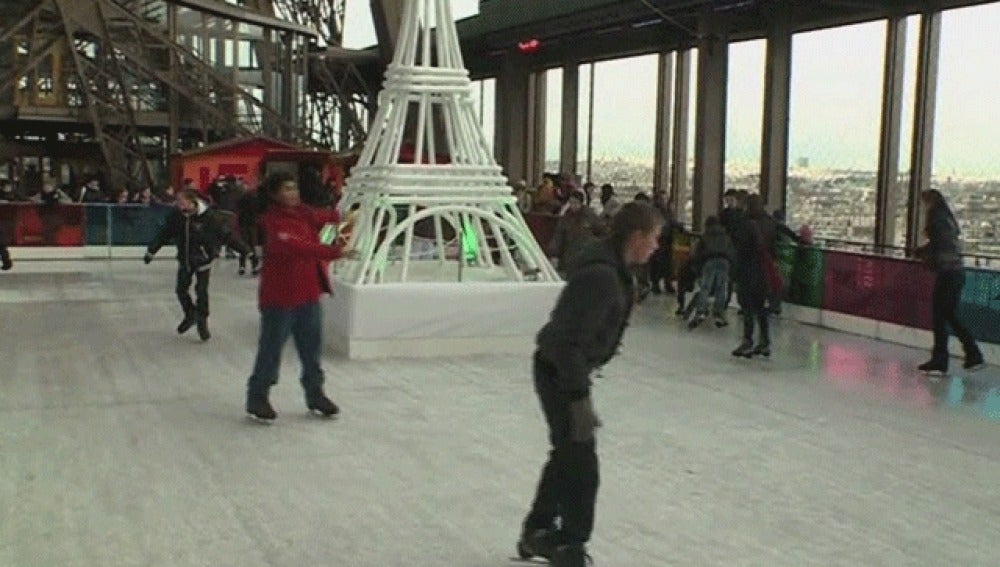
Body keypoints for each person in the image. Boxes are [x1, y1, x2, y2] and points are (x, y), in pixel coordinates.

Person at [516, 201, 663, 567]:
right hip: (560, 370)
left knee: (568, 453)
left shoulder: (615, 270)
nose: (657, 247)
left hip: (564, 369)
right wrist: (578, 397)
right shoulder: (601, 276)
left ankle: (538, 530)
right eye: (655, 239)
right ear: (637, 236)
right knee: (582, 463)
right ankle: (570, 541)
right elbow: (565, 340)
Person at [244, 172, 349, 421]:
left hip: (307, 295)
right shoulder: (273, 222)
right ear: (274, 195)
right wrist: (336, 252)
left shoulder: (304, 213)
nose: (293, 193)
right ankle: (258, 396)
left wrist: (351, 210)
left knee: (311, 350)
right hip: (280, 299)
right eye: (286, 189)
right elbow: (298, 247)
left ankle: (315, 393)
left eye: (294, 188)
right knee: (271, 349)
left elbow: (328, 216)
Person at [143, 189, 253, 341]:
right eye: (178, 202)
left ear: (192, 201)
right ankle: (190, 314)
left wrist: (245, 251)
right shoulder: (177, 217)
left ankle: (202, 321)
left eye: (182, 202)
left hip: (203, 259)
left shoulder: (210, 218)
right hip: (185, 259)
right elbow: (164, 234)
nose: (179, 205)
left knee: (201, 291)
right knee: (181, 289)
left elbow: (227, 236)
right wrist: (151, 251)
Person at [914, 190, 984, 374]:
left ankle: (942, 360)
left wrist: (923, 254)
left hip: (947, 273)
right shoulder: (947, 220)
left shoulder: (936, 220)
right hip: (955, 272)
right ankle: (971, 353)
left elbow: (938, 246)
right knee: (949, 315)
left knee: (940, 317)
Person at [731, 194, 776, 358]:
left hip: (748, 271)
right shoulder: (770, 223)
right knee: (762, 309)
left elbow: (740, 249)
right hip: (764, 273)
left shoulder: (745, 224)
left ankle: (748, 341)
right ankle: (765, 342)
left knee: (748, 308)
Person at [687, 215, 735, 329]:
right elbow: (732, 251)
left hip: (709, 261)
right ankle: (718, 313)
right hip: (724, 262)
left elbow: (697, 253)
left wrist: (696, 268)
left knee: (705, 287)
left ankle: (701, 311)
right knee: (721, 288)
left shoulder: (705, 236)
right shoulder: (726, 235)